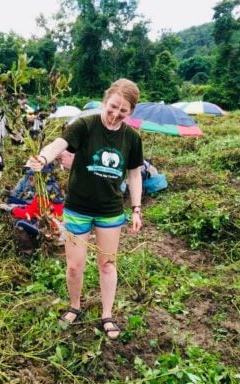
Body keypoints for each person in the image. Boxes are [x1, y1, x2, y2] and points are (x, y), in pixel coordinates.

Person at [29, 78, 143, 340]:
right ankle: (75, 306)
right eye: (112, 107)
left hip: (110, 211)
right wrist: (43, 157)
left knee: (107, 264)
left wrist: (136, 209)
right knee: (73, 266)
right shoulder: (85, 125)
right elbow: (59, 144)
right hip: (78, 208)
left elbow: (134, 175)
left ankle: (107, 314)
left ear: (131, 112)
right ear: (106, 100)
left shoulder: (132, 138)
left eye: (123, 111)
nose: (115, 115)